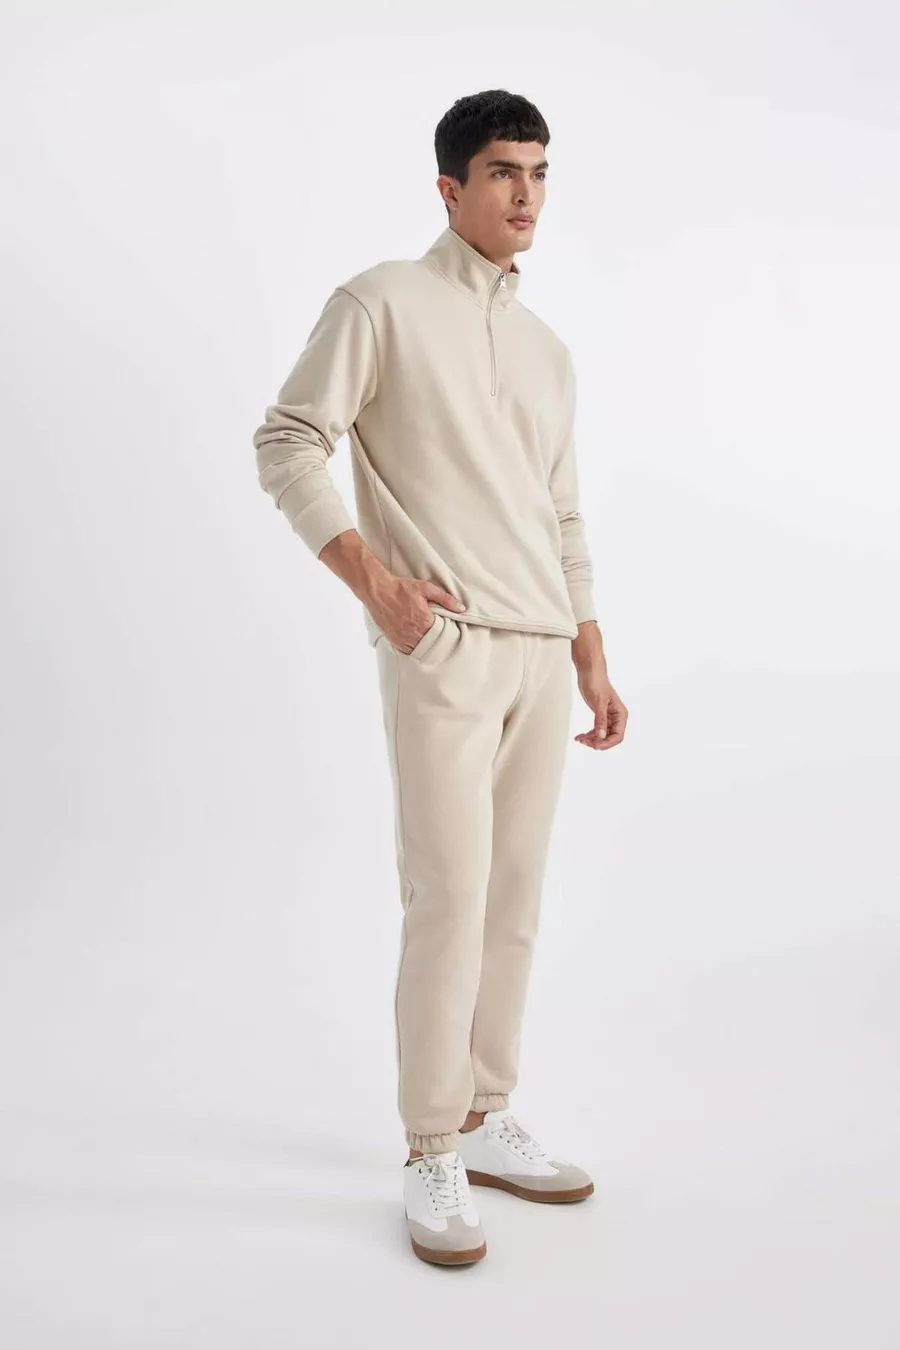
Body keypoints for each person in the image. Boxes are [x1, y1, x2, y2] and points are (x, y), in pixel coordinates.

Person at [252, 88, 628, 1267]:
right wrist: (375, 583)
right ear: (450, 188)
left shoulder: (547, 350)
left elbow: (561, 510)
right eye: (504, 170)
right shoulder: (381, 302)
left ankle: (485, 1112)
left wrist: (589, 644)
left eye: (541, 171)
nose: (527, 193)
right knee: (450, 898)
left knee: (513, 902)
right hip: (447, 648)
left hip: (541, 652)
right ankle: (429, 1145)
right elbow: (287, 439)